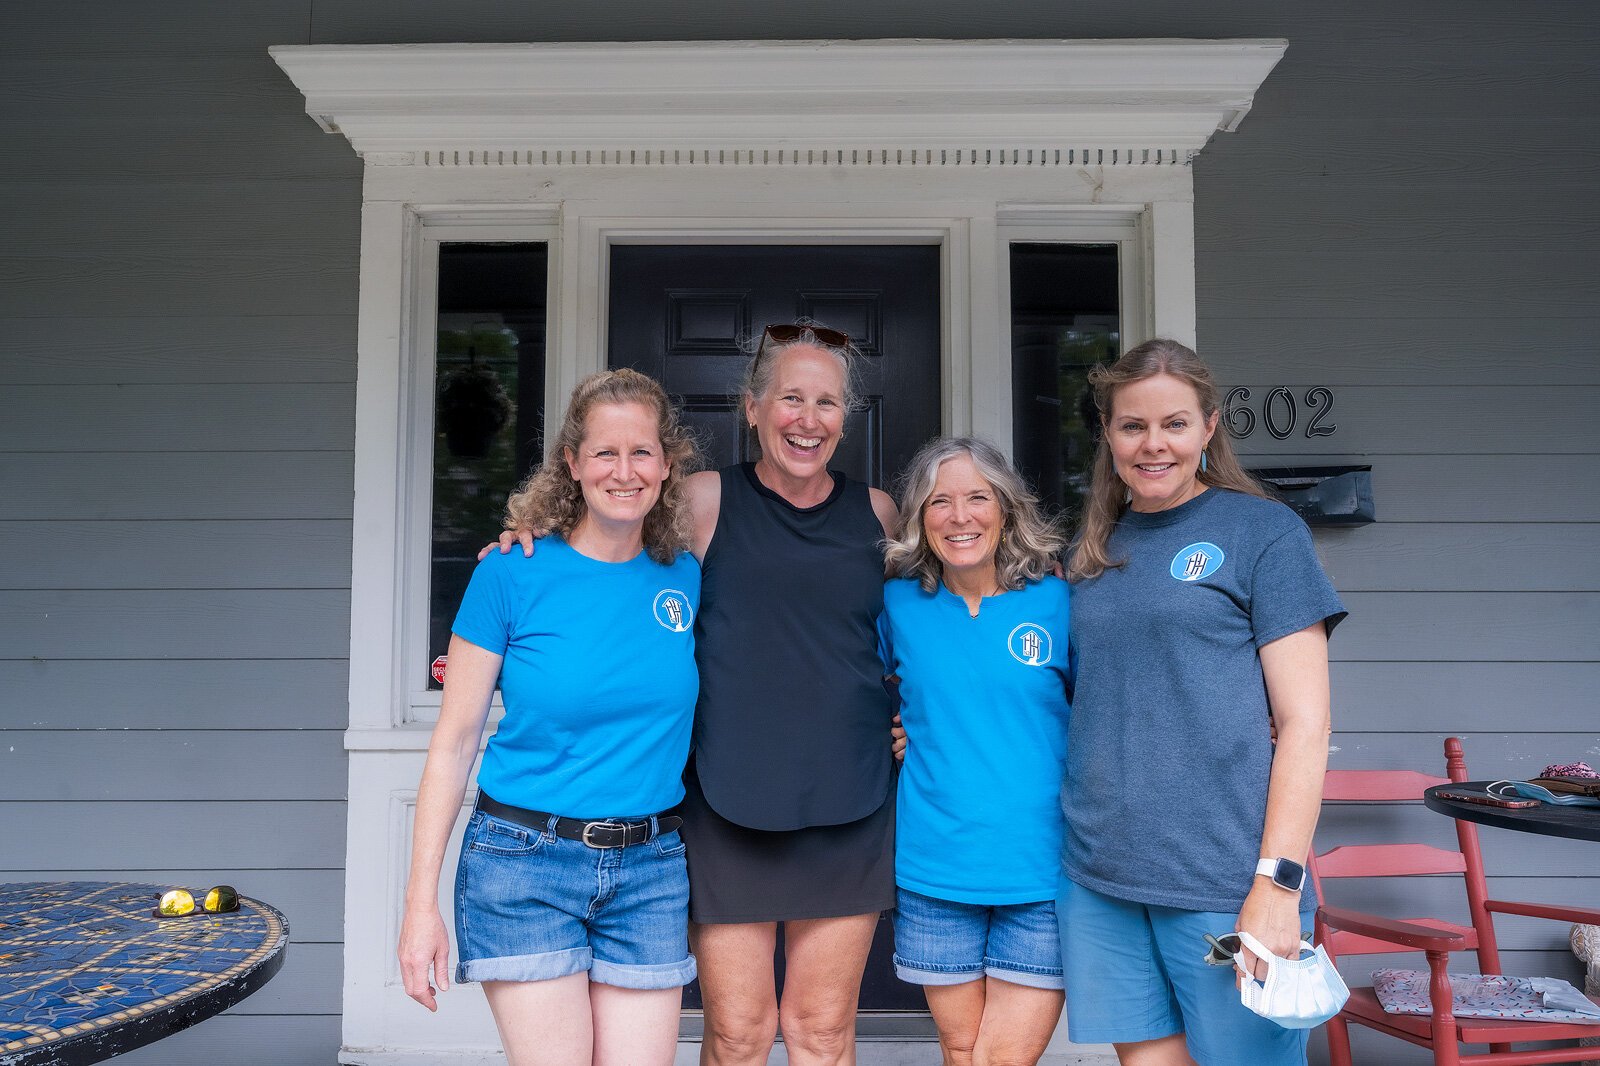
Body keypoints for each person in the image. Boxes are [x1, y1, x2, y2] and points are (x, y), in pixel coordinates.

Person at [491, 323, 901, 1066]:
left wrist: (917, 716)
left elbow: (932, 624)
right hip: (724, 803)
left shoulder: (879, 515)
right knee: (739, 1034)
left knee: (822, 1032)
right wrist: (524, 541)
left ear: (846, 416)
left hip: (852, 801)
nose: (808, 419)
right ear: (752, 407)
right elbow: (608, 543)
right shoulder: (706, 503)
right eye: (790, 398)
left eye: (827, 402)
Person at [398, 368, 702, 1066]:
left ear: (666, 462)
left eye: (642, 453)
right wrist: (421, 907)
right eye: (604, 452)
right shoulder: (510, 573)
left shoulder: (682, 573)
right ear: (572, 462)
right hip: (523, 864)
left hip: (651, 868)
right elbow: (453, 745)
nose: (624, 471)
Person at [1057, 339, 1346, 1066]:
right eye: (1132, 426)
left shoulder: (1263, 532)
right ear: (1108, 432)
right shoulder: (1092, 549)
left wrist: (1278, 885)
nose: (1153, 444)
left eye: (1175, 424)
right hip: (1101, 875)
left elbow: (1306, 726)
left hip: (1224, 879)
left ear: (1209, 427)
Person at [878, 437, 1071, 1066]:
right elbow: (854, 693)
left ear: (1007, 509)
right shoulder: (898, 604)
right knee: (961, 1051)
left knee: (1000, 1059)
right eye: (940, 502)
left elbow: (1112, 706)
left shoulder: (1058, 600)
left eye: (976, 498)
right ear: (919, 517)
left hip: (1041, 870)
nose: (959, 517)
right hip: (937, 866)